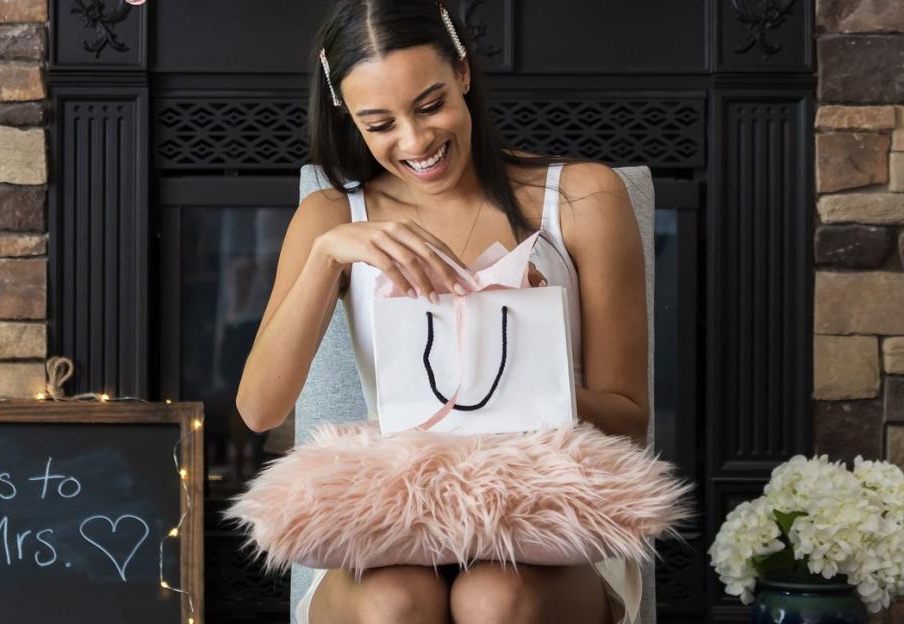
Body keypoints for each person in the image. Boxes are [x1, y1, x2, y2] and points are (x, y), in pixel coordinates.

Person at [235, 1, 651, 622]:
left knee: (494, 598)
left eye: (430, 105)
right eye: (380, 125)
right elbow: (259, 409)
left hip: (542, 516)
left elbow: (628, 421)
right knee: (395, 603)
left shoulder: (582, 196)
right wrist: (326, 257)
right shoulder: (331, 217)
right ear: (350, 119)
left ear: (463, 73)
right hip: (396, 516)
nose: (416, 141)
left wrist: (529, 368)